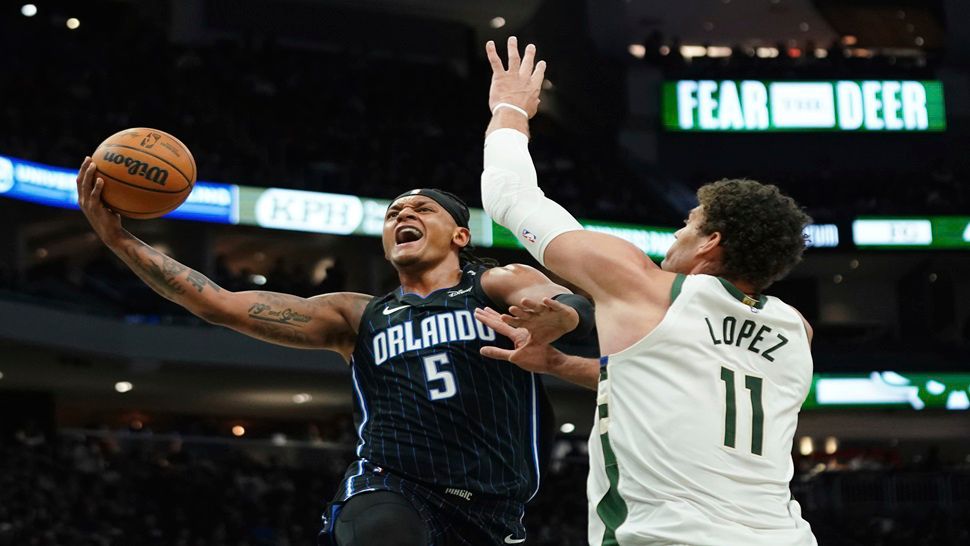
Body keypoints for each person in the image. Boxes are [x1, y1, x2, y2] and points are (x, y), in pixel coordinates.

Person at [75, 160, 596, 546]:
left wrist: (564, 316)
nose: (402, 215)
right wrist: (119, 241)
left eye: (421, 209)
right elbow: (220, 304)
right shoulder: (356, 316)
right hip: (392, 485)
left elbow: (565, 301)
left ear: (460, 234)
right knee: (379, 527)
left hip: (493, 510)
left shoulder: (496, 284)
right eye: (394, 214)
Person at [475, 37, 818, 545]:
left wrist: (509, 108)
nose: (677, 233)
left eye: (689, 222)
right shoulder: (796, 328)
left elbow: (508, 197)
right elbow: (675, 385)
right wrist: (559, 365)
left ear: (711, 243)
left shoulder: (649, 289)